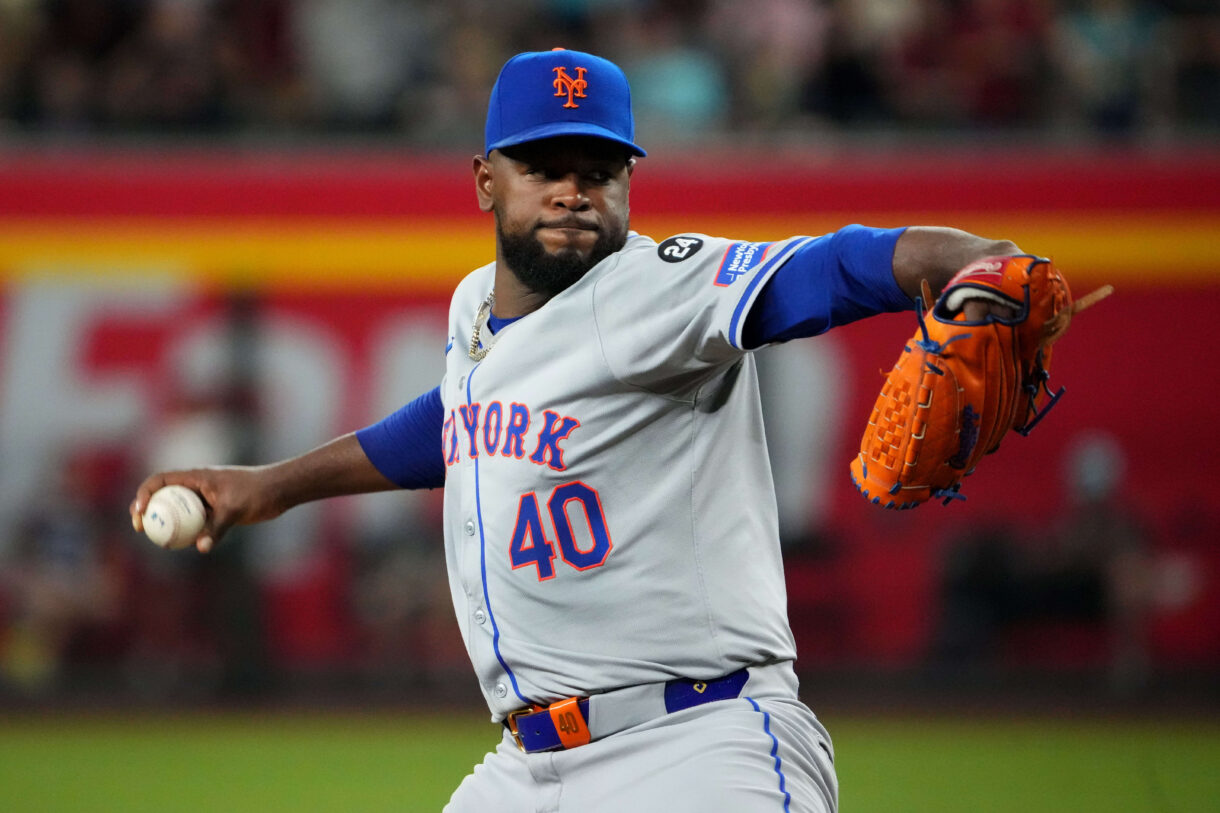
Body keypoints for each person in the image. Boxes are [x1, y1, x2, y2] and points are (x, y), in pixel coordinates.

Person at [131, 48, 1027, 812]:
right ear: (486, 180)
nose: (572, 192)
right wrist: (267, 486)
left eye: (597, 171)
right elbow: (456, 421)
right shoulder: (475, 308)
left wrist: (974, 263)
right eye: (543, 167)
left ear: (629, 182)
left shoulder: (660, 290)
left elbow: (831, 268)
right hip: (531, 765)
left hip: (698, 747)